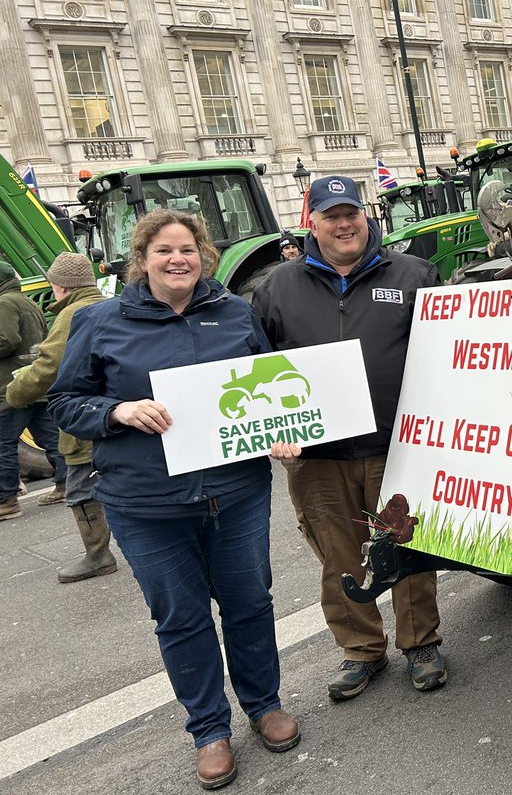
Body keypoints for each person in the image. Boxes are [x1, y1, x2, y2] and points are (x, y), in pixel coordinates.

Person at [48, 210, 298, 790]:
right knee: (181, 618)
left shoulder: (234, 312)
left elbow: (266, 384)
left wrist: (281, 429)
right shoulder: (99, 321)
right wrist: (116, 411)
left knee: (250, 604)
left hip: (235, 493)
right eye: (163, 250)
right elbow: (64, 402)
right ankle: (209, 730)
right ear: (142, 259)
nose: (177, 259)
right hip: (147, 505)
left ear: (203, 255)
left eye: (187, 248)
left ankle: (264, 705)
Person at [254, 175, 447, 700]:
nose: (344, 224)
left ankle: (421, 643)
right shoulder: (275, 288)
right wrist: (273, 428)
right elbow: (255, 368)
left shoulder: (413, 275)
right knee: (338, 552)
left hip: (398, 444)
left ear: (365, 215)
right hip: (318, 455)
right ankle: (361, 649)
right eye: (331, 216)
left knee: (405, 545)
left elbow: (448, 353)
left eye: (351, 213)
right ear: (310, 223)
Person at [6, 252, 117, 581]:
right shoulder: (110, 303)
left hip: (84, 415)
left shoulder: (72, 315)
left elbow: (49, 365)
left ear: (60, 286)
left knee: (81, 488)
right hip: (114, 411)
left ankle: (98, 555)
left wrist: (15, 391)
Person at [0, 260, 67, 521]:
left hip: (10, 388)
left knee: (3, 444)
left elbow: (6, 340)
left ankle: (6, 500)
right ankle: (66, 483)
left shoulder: (5, 303)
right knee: (52, 438)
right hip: (36, 384)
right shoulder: (28, 302)